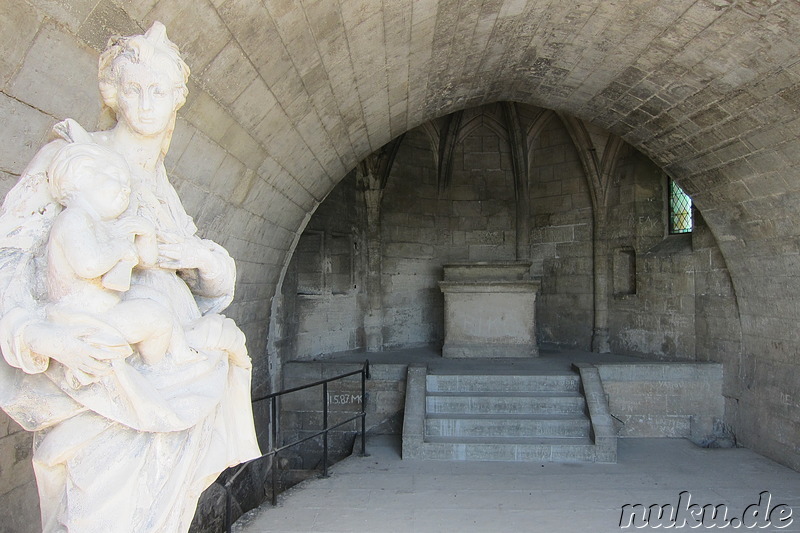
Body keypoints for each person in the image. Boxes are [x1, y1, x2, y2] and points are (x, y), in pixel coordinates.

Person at [0, 22, 260, 532]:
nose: (145, 103)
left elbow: (200, 283)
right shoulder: (72, 161)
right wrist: (40, 335)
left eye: (158, 91)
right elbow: (9, 261)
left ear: (176, 101)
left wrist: (206, 263)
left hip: (172, 385)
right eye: (134, 88)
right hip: (97, 378)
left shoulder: (161, 188)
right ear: (112, 93)